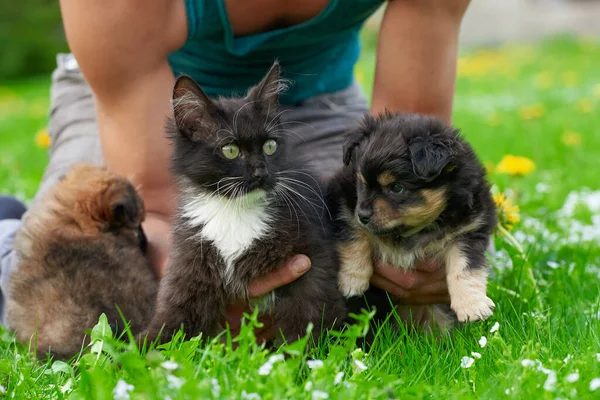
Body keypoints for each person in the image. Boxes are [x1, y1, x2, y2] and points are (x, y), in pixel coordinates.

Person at [1, 0, 470, 337]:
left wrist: (412, 251)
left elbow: (405, 166)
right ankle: (9, 231)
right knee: (77, 292)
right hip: (144, 102)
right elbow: (162, 212)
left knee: (377, 271)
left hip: (305, 103)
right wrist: (210, 287)